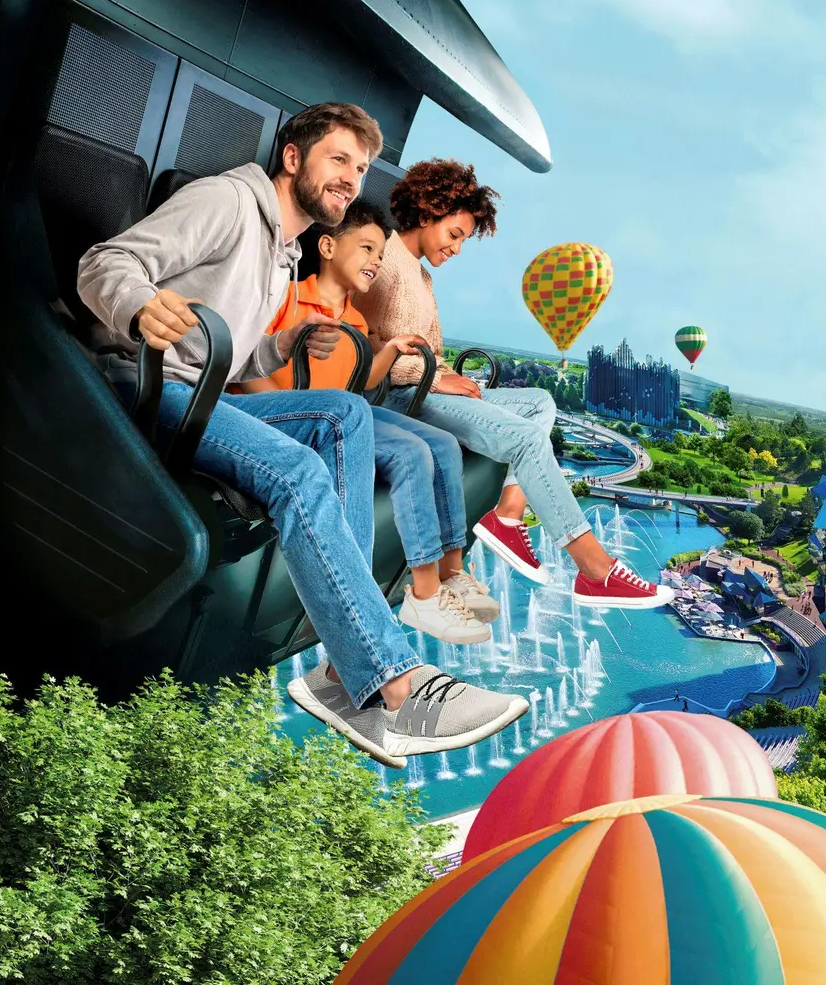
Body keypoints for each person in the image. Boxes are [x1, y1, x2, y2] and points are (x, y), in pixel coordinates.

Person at [76, 103, 526, 769]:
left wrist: (281, 343)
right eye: (338, 159)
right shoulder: (228, 202)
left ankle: (348, 668)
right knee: (300, 472)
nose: (351, 178)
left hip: (203, 389)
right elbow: (102, 264)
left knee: (343, 416)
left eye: (362, 168)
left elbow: (233, 350)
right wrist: (141, 306)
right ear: (293, 157)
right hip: (147, 389)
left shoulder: (282, 247)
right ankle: (390, 683)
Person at [355, 157, 673, 609]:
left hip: (424, 387)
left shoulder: (421, 274)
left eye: (463, 239)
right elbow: (363, 348)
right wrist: (431, 378)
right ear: (427, 211)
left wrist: (446, 376)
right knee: (524, 439)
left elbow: (431, 349)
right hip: (394, 398)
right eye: (454, 235)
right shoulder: (382, 256)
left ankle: (507, 514)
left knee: (541, 401)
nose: (457, 249)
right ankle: (595, 570)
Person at [234, 198, 496, 646]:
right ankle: (424, 591)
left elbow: (359, 380)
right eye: (367, 249)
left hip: (342, 412)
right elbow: (246, 363)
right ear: (329, 246)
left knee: (444, 446)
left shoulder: (355, 319)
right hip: (295, 417)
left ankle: (450, 570)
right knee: (412, 453)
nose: (376, 260)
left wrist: (391, 349)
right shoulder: (290, 298)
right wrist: (294, 409)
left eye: (380, 253)